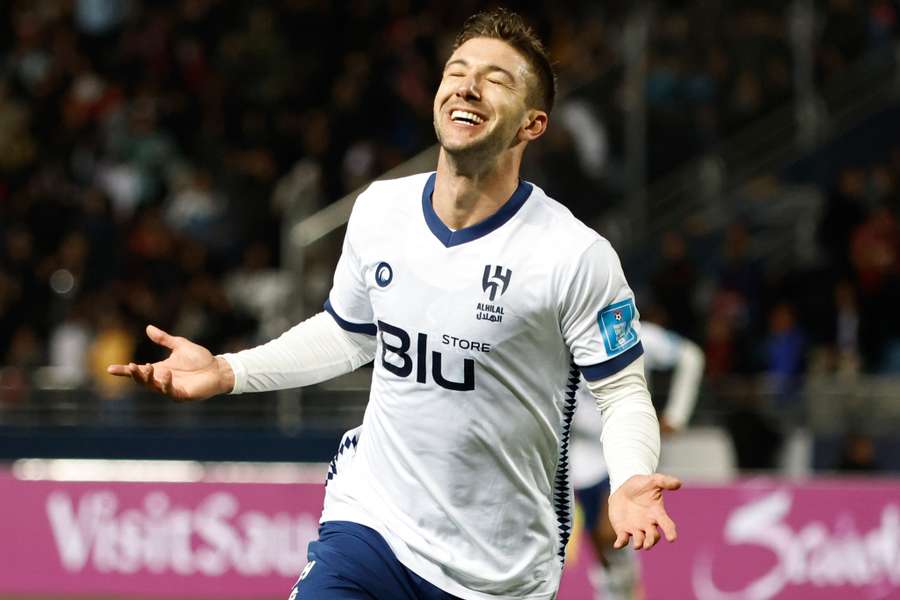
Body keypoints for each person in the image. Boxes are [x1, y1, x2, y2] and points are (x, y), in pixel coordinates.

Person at [109, 9, 680, 600]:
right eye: (457, 71)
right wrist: (230, 370)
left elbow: (621, 391)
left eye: (496, 79)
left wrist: (632, 477)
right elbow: (347, 334)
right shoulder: (380, 210)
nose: (467, 86)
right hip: (372, 527)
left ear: (532, 125)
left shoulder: (575, 255)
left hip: (498, 571)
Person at [572, 321, 704, 600]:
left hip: (624, 448)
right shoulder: (563, 336)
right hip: (578, 455)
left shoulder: (635, 332)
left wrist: (677, 415)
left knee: (612, 534)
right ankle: (616, 590)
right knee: (600, 543)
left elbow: (691, 357)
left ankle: (621, 588)